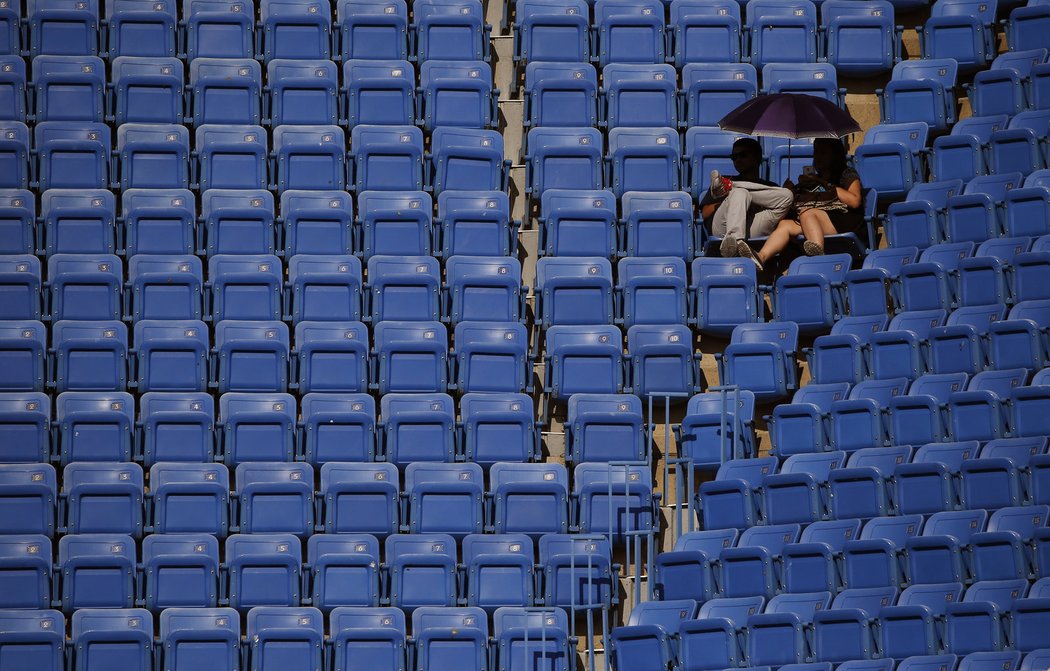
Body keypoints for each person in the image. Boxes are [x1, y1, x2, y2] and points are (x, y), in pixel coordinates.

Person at [740, 137, 864, 272]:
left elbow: (854, 200)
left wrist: (825, 184)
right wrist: (792, 190)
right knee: (785, 225)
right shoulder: (814, 178)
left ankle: (817, 257)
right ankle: (760, 258)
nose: (818, 157)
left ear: (835, 154)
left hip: (842, 219)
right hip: (814, 221)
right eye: (816, 152)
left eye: (823, 153)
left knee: (807, 212)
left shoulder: (847, 173)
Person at [700, 137, 795, 258]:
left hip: (753, 227)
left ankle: (732, 187)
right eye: (734, 157)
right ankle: (735, 241)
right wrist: (728, 201)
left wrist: (788, 191)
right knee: (740, 193)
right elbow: (705, 213)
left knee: (787, 195)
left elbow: (780, 218)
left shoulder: (769, 186)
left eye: (743, 155)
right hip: (724, 229)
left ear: (757, 158)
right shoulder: (721, 183)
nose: (738, 159)